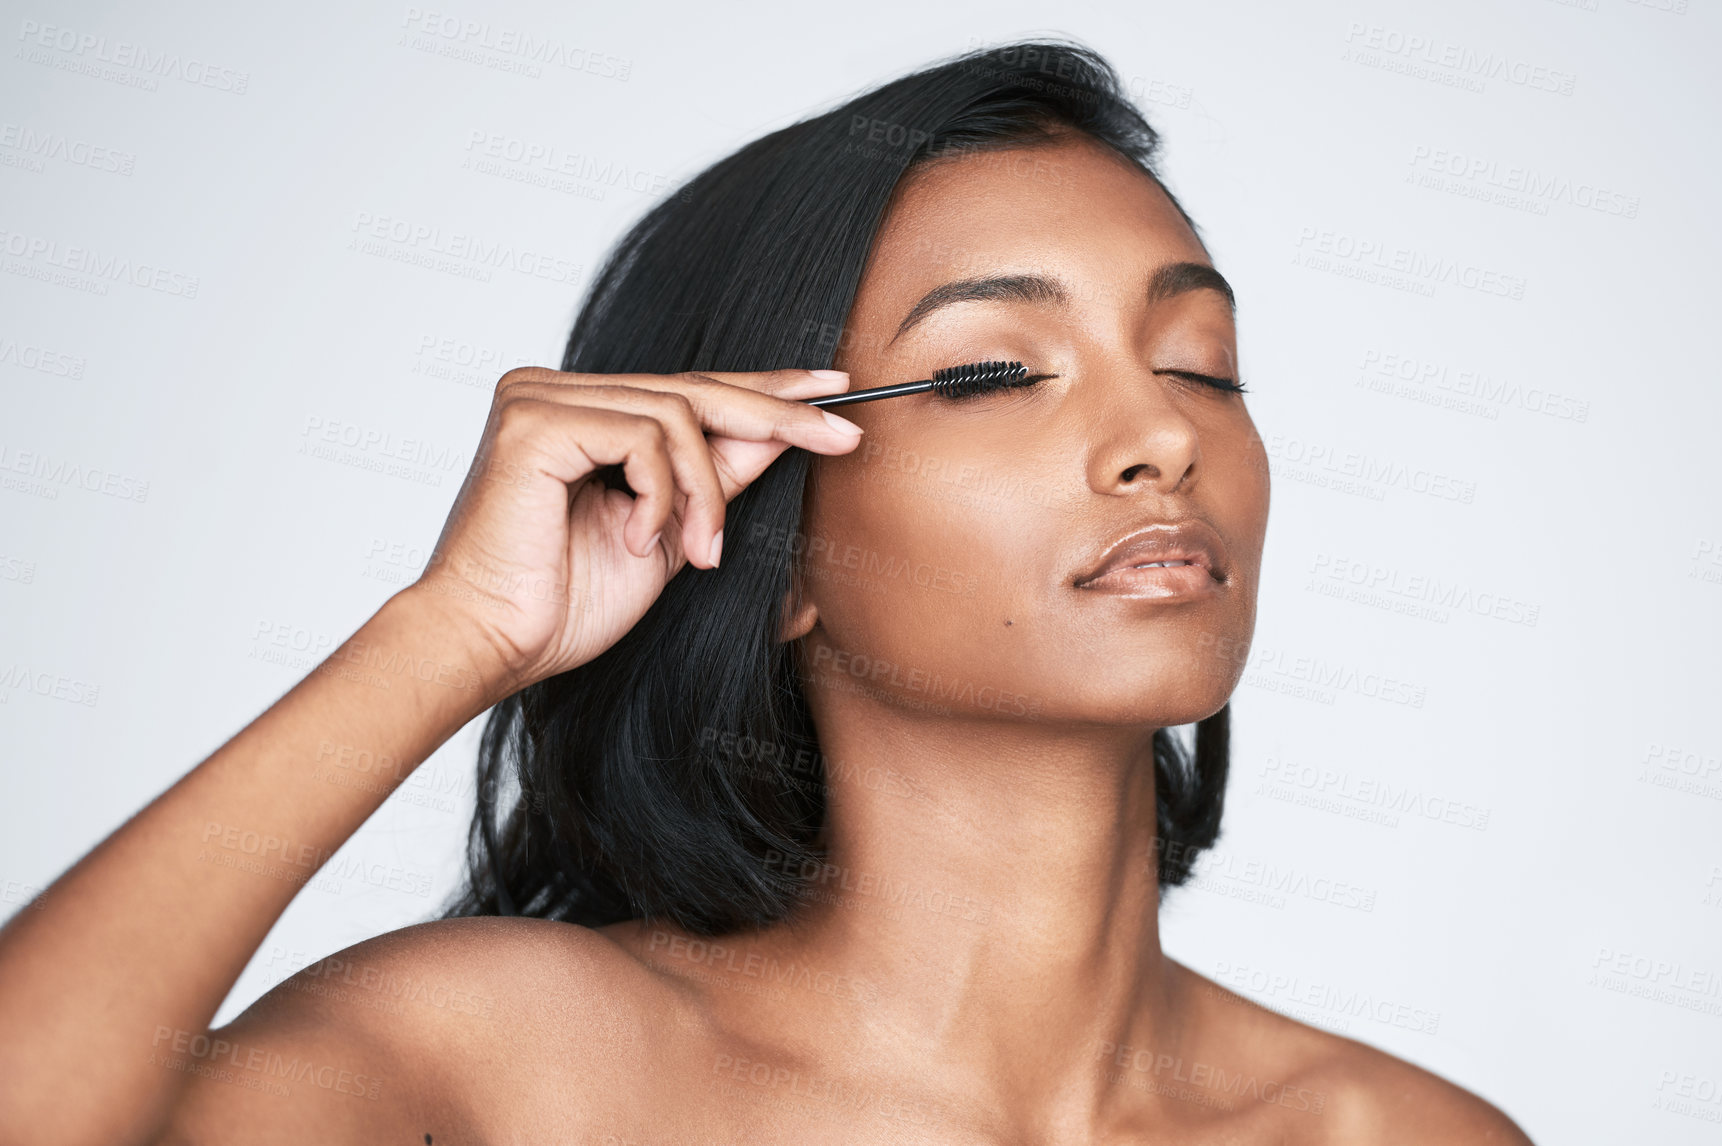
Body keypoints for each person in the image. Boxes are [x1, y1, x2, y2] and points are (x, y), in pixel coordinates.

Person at [0, 40, 1533, 1145]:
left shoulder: (1395, 1129)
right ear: (769, 534)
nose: (1161, 438)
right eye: (998, 372)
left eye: (1203, 365)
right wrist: (451, 635)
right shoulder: (508, 1065)